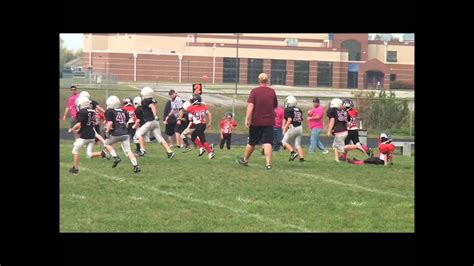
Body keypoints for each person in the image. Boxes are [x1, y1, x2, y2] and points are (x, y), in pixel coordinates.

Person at [236, 73, 277, 170]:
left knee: (252, 142)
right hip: (268, 121)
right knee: (267, 142)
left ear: (259, 80)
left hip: (256, 121)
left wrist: (247, 118)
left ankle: (245, 159)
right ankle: (268, 164)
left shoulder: (254, 91)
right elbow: (274, 105)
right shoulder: (272, 92)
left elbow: (251, 105)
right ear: (267, 80)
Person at [68, 97, 108, 175]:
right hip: (92, 136)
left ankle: (75, 169)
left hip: (84, 136)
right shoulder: (93, 111)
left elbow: (79, 124)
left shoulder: (82, 112)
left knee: (75, 150)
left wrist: (72, 129)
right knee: (89, 154)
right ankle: (103, 153)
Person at [134, 87, 175, 159]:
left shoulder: (144, 101)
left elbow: (152, 106)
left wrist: (155, 115)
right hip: (155, 122)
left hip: (150, 121)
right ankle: (169, 152)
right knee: (160, 138)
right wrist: (155, 115)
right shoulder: (152, 100)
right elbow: (154, 105)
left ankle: (142, 150)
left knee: (138, 134)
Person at [103, 95, 141, 173]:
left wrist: (107, 132)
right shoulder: (124, 111)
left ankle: (115, 157)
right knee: (128, 151)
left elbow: (110, 123)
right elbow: (125, 122)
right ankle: (136, 166)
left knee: (106, 144)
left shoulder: (109, 111)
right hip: (125, 133)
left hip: (116, 133)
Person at [326, 98, 365, 162]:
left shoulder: (332, 111)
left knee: (341, 147)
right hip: (345, 130)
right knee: (336, 146)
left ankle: (356, 146)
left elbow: (332, 120)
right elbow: (347, 121)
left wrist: (329, 130)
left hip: (339, 131)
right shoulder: (344, 111)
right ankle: (336, 159)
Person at [186, 94, 215, 159]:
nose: (190, 101)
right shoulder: (204, 107)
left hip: (198, 125)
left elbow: (190, 119)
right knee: (193, 136)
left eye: (191, 100)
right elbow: (209, 114)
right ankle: (202, 148)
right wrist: (210, 122)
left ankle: (210, 153)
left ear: (194, 101)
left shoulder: (190, 108)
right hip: (203, 125)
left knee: (202, 139)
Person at [281, 95, 305, 162]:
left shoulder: (287, 109)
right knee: (297, 144)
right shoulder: (299, 109)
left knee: (283, 142)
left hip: (293, 127)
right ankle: (302, 158)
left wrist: (284, 128)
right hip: (300, 128)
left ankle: (293, 153)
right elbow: (301, 120)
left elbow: (289, 119)